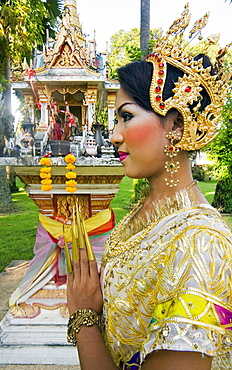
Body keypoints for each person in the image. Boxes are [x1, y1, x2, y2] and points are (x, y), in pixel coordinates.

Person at [66, 4, 232, 370]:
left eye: (126, 117)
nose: (114, 136)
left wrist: (83, 318)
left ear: (174, 123)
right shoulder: (142, 215)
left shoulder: (202, 245)